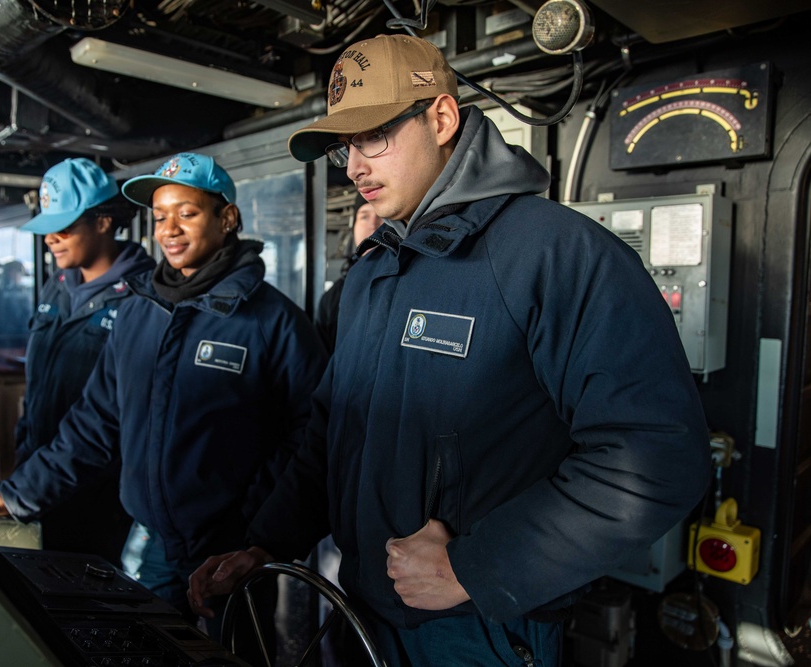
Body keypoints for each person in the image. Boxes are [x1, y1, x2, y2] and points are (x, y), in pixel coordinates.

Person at [188, 34, 711, 667]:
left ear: (440, 118)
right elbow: (333, 432)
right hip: (361, 611)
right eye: (343, 148)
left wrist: (475, 566)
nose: (353, 167)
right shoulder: (372, 273)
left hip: (476, 628)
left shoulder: (555, 256)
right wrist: (264, 543)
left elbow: (656, 454)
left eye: (372, 137)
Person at [0, 152, 327, 650]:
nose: (169, 229)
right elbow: (94, 424)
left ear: (227, 218)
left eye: (187, 213)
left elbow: (313, 436)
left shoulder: (273, 322)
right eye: (159, 217)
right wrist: (19, 493)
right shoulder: (137, 313)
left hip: (232, 554)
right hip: (154, 547)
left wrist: (258, 537)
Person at [8, 157, 157, 564]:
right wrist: (24, 457)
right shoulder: (56, 287)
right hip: (40, 482)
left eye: (64, 228)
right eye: (46, 228)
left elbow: (114, 420)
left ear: (104, 221)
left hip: (103, 501)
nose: (50, 239)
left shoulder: (143, 299)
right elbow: (37, 385)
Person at [315, 198, 384, 353]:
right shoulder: (333, 298)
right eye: (364, 217)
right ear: (354, 227)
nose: (373, 225)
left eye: (381, 216)